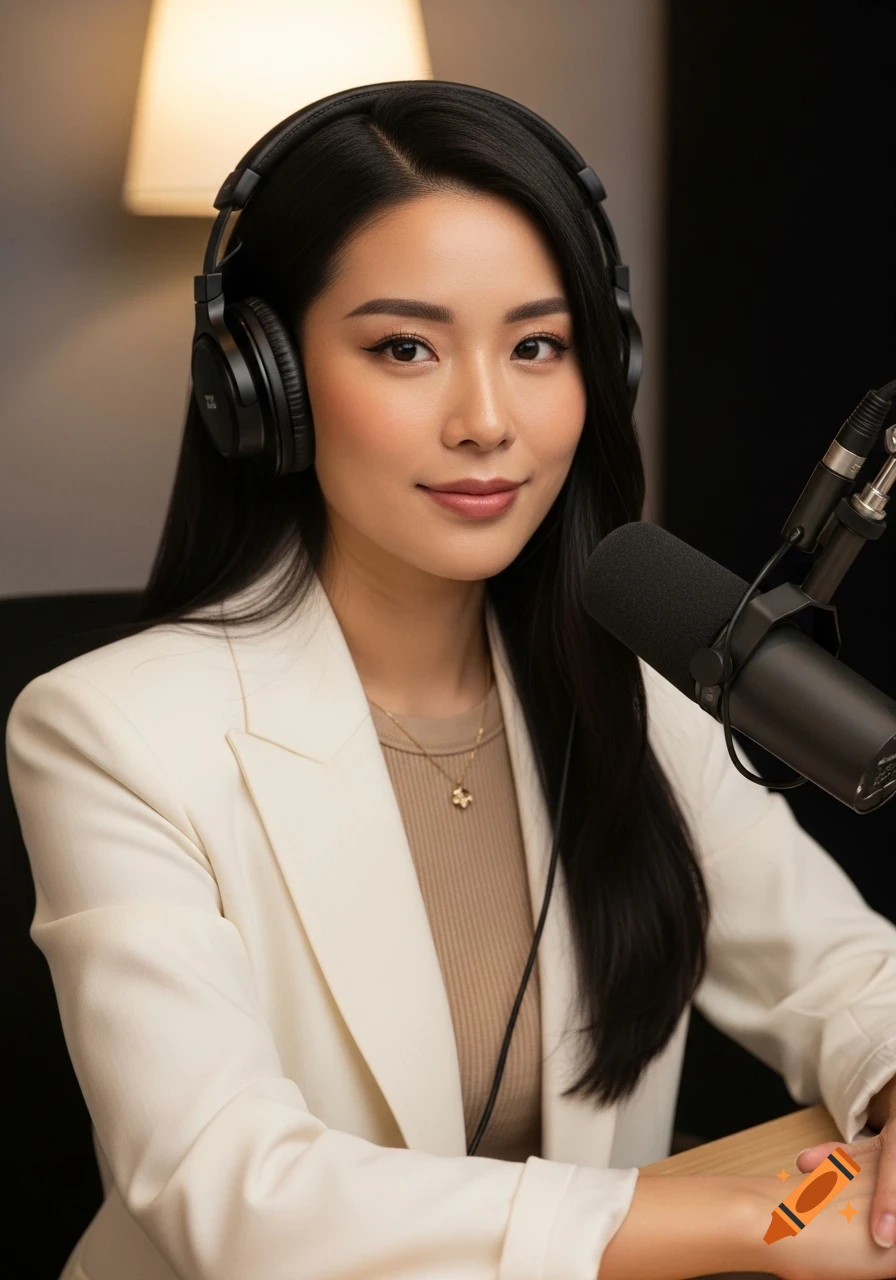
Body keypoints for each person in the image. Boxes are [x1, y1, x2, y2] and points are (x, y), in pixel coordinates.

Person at [6, 80, 896, 1280]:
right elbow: (231, 1187)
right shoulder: (108, 731)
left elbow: (845, 971)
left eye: (536, 346)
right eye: (405, 347)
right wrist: (754, 1228)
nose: (488, 420)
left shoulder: (633, 685)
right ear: (262, 387)